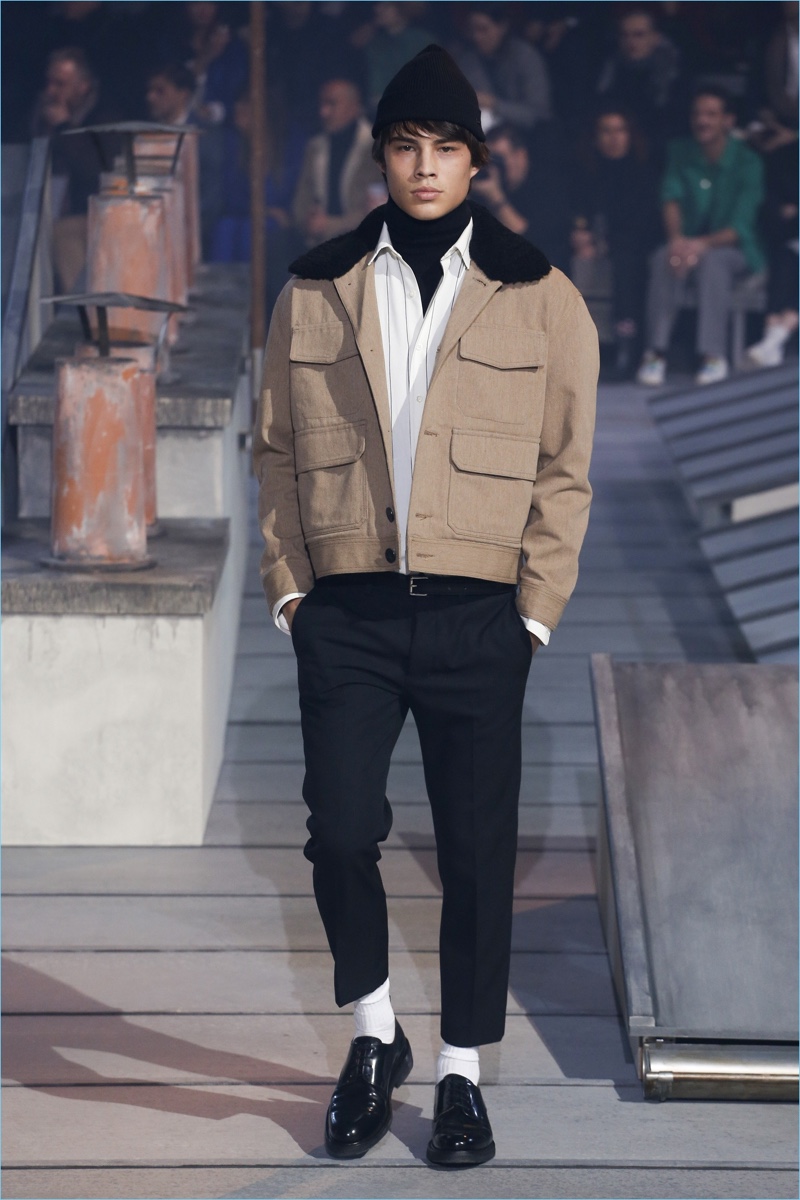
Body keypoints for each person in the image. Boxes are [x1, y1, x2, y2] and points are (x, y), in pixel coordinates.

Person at [253, 45, 597, 1167]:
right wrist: (291, 590)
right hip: (348, 612)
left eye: (446, 147)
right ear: (381, 157)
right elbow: (273, 452)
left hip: (476, 616)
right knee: (340, 833)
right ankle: (373, 1037)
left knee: (477, 855)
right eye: (406, 146)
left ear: (476, 161)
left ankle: (460, 1074)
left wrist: (532, 613)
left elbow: (565, 467)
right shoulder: (314, 288)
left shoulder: (541, 297)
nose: (425, 166)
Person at [636, 88, 766, 387]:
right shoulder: (680, 151)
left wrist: (699, 245)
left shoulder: (748, 161)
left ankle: (712, 355)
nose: (702, 121)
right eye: (697, 114)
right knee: (663, 257)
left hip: (734, 249)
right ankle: (655, 353)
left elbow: (740, 226)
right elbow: (670, 197)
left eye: (711, 114)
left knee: (713, 263)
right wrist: (676, 240)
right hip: (687, 245)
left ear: (728, 120)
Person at [570, 107, 660, 377]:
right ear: (596, 137)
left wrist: (605, 241)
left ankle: (626, 346)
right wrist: (581, 232)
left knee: (626, 260)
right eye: (606, 131)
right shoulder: (586, 170)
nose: (614, 138)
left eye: (620, 130)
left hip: (634, 245)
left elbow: (644, 223)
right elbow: (577, 210)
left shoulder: (644, 171)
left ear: (630, 135)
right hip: (597, 244)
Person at [30, 46, 118, 291]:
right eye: (49, 83)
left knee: (63, 234)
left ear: (83, 86)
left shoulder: (104, 118)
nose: (51, 91)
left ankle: (81, 306)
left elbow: (94, 168)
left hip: (90, 212)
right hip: (44, 206)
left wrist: (63, 127)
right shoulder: (42, 112)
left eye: (60, 84)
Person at [292, 77, 385, 247]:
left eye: (332, 104)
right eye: (322, 104)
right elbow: (301, 201)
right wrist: (308, 220)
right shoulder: (315, 147)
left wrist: (330, 225)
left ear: (354, 107)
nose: (324, 112)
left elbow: (379, 210)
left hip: (367, 244)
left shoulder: (376, 148)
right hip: (320, 246)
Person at [471, 121, 572, 272]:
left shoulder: (549, 191)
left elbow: (531, 246)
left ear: (520, 156)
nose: (494, 167)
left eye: (500, 159)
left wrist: (496, 199)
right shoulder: (483, 190)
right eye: (489, 160)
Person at [452, 2, 551, 132]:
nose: (477, 37)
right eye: (473, 30)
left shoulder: (526, 57)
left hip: (529, 134)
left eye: (483, 29)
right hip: (485, 134)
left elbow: (539, 113)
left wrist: (495, 104)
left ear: (502, 27)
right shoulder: (468, 61)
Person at [595, 7, 683, 152]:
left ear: (655, 38)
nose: (631, 41)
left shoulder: (673, 74)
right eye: (625, 35)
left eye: (639, 35)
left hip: (662, 145)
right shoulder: (610, 71)